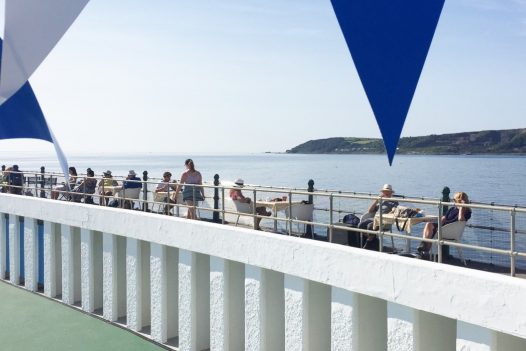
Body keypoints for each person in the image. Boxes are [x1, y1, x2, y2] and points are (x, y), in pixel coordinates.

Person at [417, 191, 472, 257]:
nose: (453, 201)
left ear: (459, 201)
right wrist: (435, 223)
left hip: (450, 231)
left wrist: (461, 207)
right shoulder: (452, 209)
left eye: (454, 200)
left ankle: (425, 250)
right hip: (444, 228)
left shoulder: (467, 212)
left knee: (430, 229)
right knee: (429, 225)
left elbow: (460, 219)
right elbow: (443, 219)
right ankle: (424, 250)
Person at [359, 184, 399, 251]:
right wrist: (376, 200)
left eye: (387, 191)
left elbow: (395, 212)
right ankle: (373, 241)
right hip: (374, 219)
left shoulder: (394, 202)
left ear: (391, 193)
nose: (385, 193)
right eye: (384, 191)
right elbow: (370, 210)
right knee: (361, 225)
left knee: (370, 226)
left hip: (383, 221)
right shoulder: (381, 201)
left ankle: (368, 243)